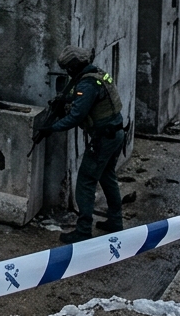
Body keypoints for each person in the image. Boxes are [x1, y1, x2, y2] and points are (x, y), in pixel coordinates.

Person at [34, 45, 126, 244]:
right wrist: (65, 98)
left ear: (74, 66)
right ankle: (115, 221)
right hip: (115, 134)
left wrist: (52, 128)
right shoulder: (96, 74)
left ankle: (83, 230)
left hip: (103, 138)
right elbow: (83, 98)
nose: (67, 71)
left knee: (85, 182)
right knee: (107, 176)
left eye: (68, 67)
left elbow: (76, 116)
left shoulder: (87, 84)